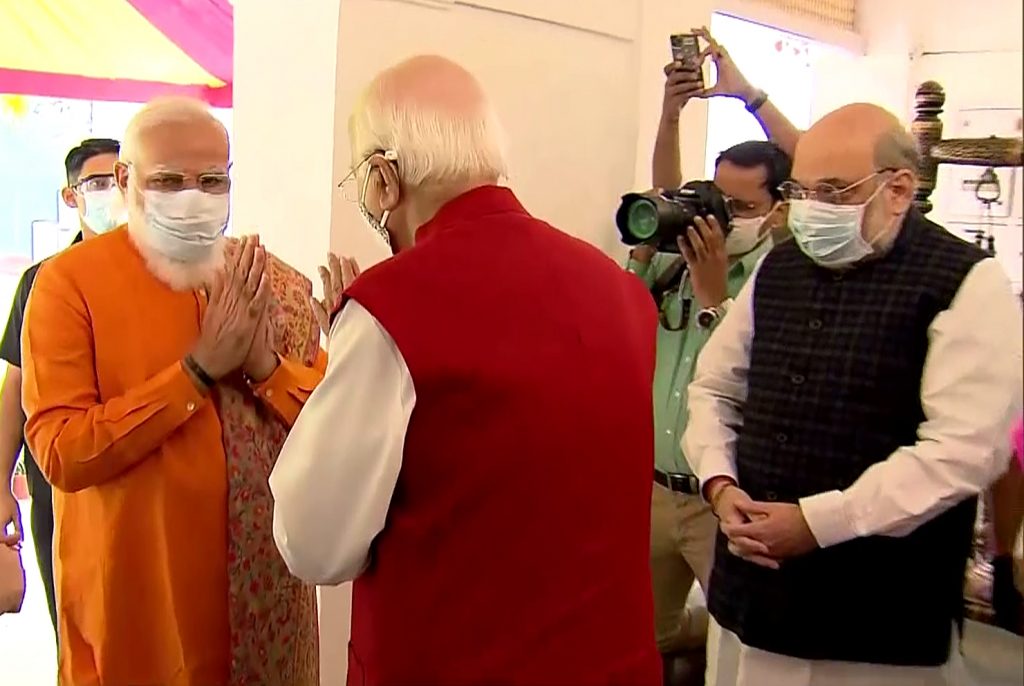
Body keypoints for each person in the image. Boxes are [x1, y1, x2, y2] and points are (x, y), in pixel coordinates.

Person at [271, 55, 662, 686]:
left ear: (382, 178)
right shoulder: (618, 289)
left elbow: (315, 543)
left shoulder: (392, 306)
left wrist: (348, 353)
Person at [684, 102, 1023, 686]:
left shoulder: (965, 282)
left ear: (898, 190)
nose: (813, 209)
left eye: (836, 192)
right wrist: (719, 483)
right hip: (750, 598)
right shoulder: (778, 268)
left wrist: (819, 522)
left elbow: (965, 451)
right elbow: (714, 389)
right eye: (802, 190)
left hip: (875, 620)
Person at [21, 97, 324, 686]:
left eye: (212, 180)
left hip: (267, 622)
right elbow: (62, 450)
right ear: (126, 181)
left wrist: (266, 366)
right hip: (138, 623)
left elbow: (328, 438)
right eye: (168, 181)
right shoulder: (69, 284)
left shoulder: (271, 281)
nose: (192, 196)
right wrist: (195, 373)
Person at [632, 30, 793, 665]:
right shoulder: (677, 258)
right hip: (651, 491)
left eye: (739, 205)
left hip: (719, 499)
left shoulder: (780, 274)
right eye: (713, 198)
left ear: (777, 210)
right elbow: (663, 193)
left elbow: (753, 378)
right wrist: (672, 114)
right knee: (640, 638)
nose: (717, 217)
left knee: (741, 650)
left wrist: (711, 294)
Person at [0, 137, 122, 642]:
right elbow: (17, 385)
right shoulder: (43, 282)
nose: (110, 194)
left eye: (119, 180)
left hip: (133, 484)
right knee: (77, 638)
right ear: (71, 197)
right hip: (63, 489)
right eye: (96, 183)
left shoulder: (162, 274)